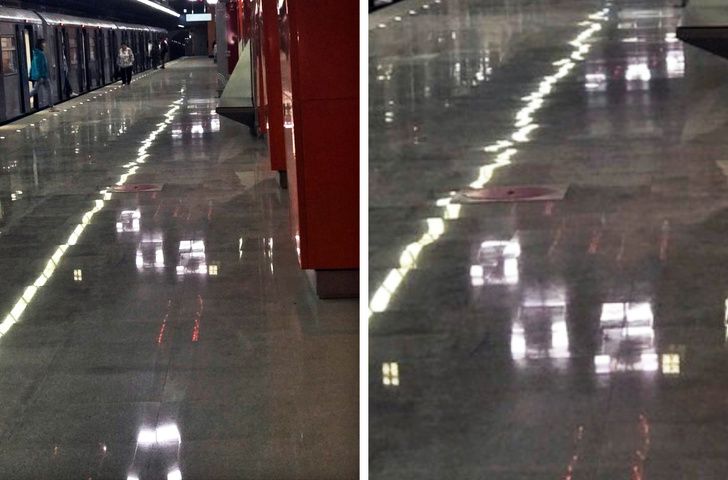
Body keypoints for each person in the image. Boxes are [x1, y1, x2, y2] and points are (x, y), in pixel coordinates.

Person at [29, 38, 56, 111]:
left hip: (41, 76)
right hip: (42, 77)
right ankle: (51, 107)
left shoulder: (36, 53)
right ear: (40, 44)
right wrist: (41, 76)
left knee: (36, 90)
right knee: (48, 90)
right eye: (43, 43)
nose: (45, 44)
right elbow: (39, 66)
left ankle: (51, 107)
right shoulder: (40, 54)